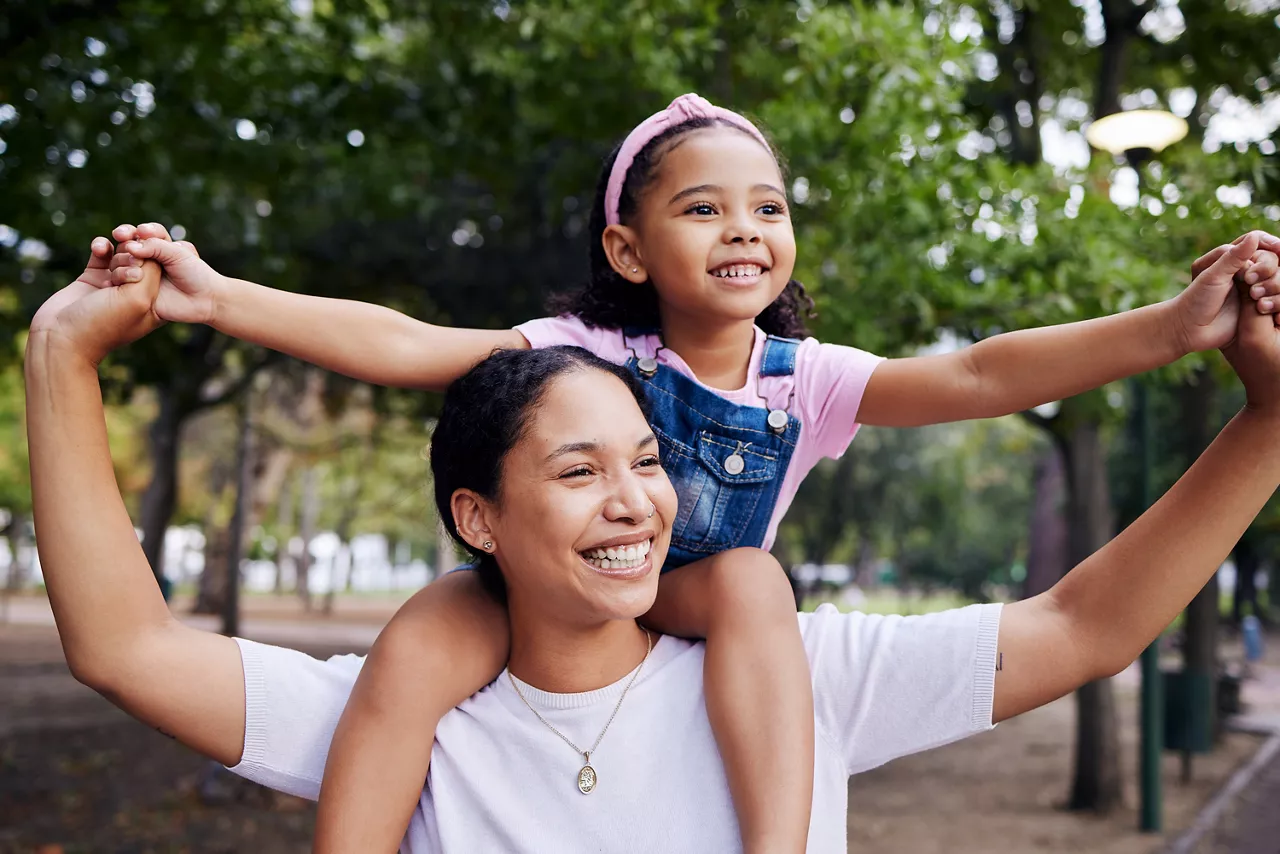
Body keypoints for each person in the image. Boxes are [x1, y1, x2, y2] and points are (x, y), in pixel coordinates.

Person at [102, 91, 1280, 852]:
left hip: (691, 592)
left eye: (766, 206)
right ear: (628, 247)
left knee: (752, 581)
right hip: (560, 588)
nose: (743, 227)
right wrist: (221, 297)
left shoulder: (802, 379)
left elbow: (978, 373)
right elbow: (407, 344)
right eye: (703, 208)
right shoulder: (581, 350)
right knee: (421, 637)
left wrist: (1168, 328)